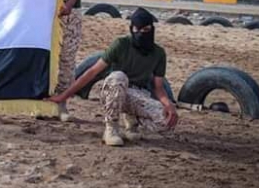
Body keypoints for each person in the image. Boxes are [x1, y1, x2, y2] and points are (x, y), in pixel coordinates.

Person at [49, 8, 179, 146]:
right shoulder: (121, 44)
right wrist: (63, 96)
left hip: (137, 95)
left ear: (152, 29)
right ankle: (111, 128)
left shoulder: (158, 53)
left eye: (145, 30)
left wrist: (168, 105)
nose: (141, 33)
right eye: (137, 29)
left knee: (167, 123)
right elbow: (92, 72)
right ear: (131, 29)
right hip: (113, 90)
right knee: (119, 77)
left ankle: (133, 120)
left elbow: (159, 88)